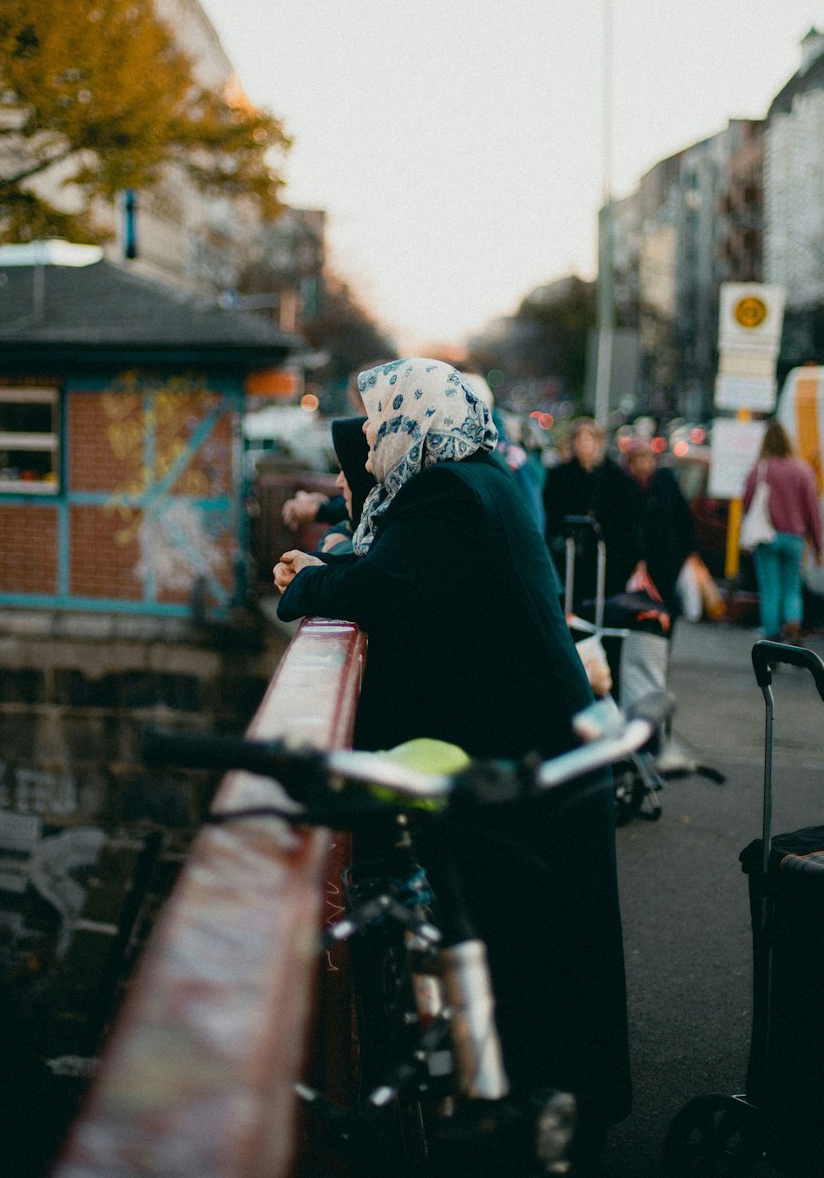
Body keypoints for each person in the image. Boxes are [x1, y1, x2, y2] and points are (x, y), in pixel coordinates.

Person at [273, 359, 631, 1171]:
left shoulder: (449, 496)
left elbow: (379, 585)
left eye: (376, 421)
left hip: (535, 773)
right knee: (554, 964)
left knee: (542, 969)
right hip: (545, 758)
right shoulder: (476, 478)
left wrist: (310, 578)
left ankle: (550, 1136)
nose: (366, 439)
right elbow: (381, 552)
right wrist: (336, 563)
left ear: (412, 420)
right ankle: (559, 1122)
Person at [742, 420, 823, 643]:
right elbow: (812, 511)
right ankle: (794, 623)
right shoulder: (803, 471)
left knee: (770, 590)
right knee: (792, 587)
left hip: (766, 537)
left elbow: (747, 501)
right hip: (795, 539)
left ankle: (771, 636)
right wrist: (818, 545)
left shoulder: (760, 469)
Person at [542, 418, 637, 606]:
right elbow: (552, 509)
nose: (583, 445)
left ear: (598, 442)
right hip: (570, 551)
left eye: (588, 440)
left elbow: (626, 515)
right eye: (579, 440)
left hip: (605, 553)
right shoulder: (561, 475)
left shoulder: (615, 476)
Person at [622, 438, 698, 618]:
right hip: (634, 558)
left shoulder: (665, 482)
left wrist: (690, 550)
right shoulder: (624, 486)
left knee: (666, 602)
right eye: (637, 459)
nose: (642, 464)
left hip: (665, 555)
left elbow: (682, 516)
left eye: (646, 458)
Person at [314, 416, 377, 554]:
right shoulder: (347, 531)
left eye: (345, 470)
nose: (339, 482)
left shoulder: (379, 550)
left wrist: (338, 549)